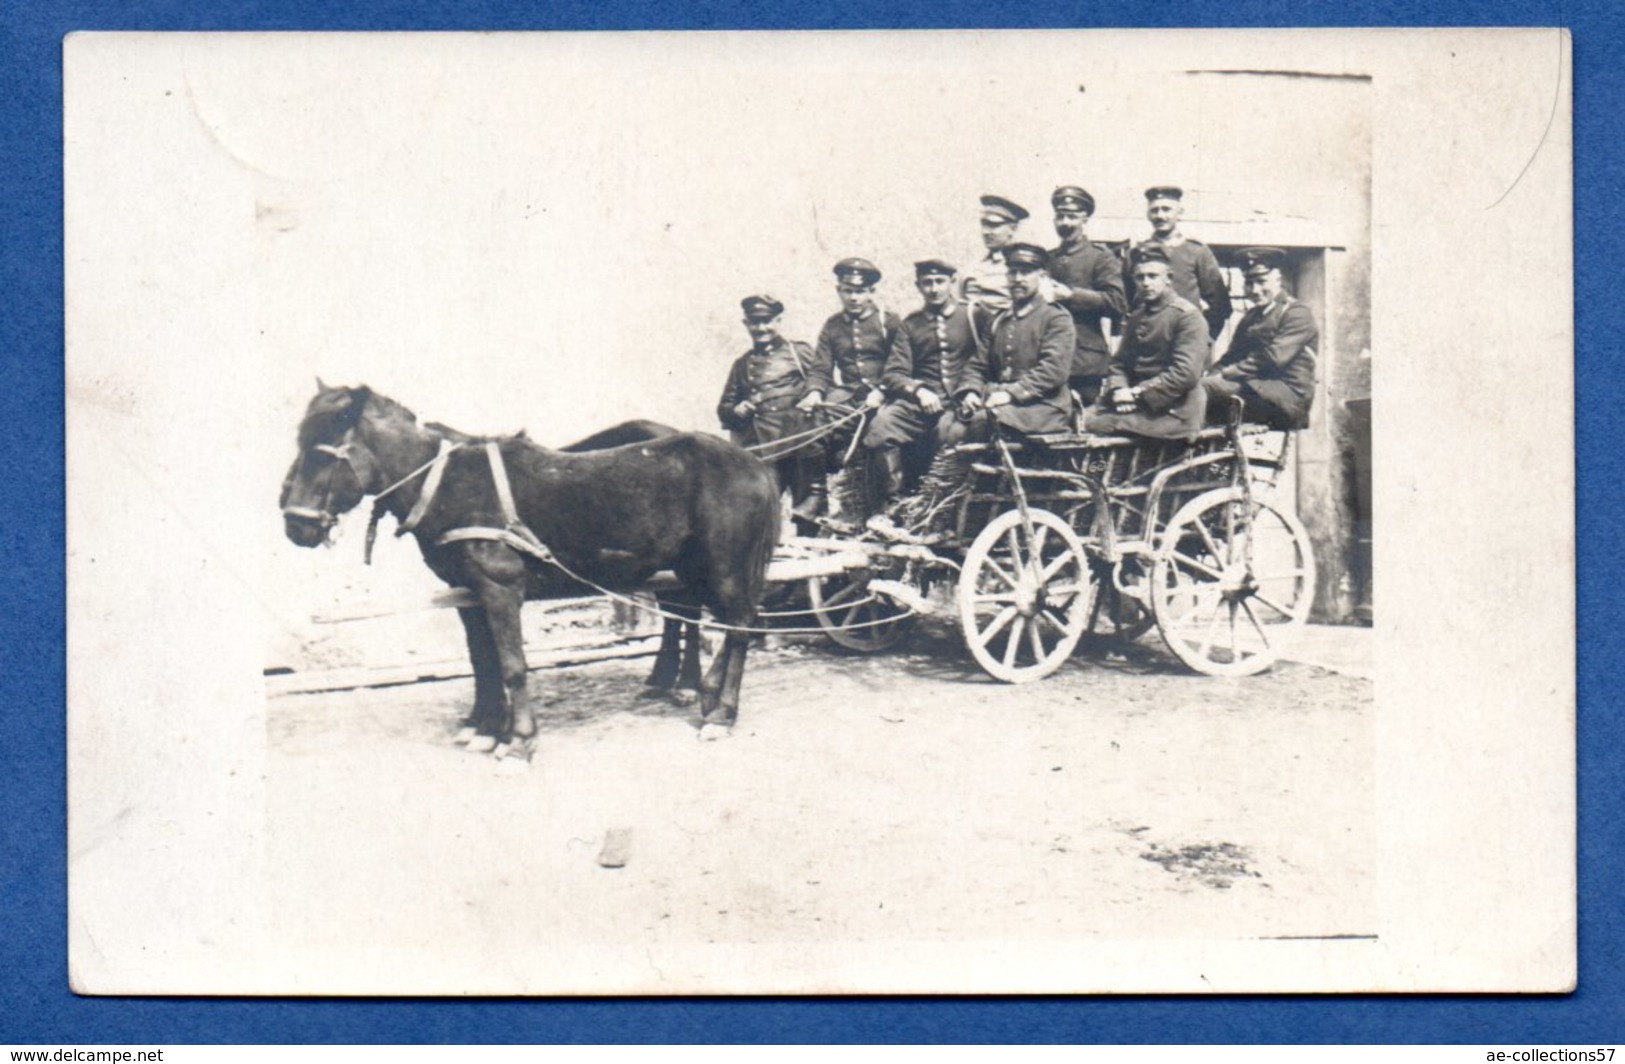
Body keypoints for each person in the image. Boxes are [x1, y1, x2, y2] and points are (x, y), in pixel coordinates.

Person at [863, 258, 982, 516]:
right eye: (927, 283)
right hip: (922, 403)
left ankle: (942, 509)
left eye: (940, 282)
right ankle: (894, 503)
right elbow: (894, 372)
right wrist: (918, 390)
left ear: (952, 282)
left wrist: (972, 388)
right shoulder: (911, 324)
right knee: (881, 428)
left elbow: (988, 361)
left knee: (946, 434)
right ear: (918, 286)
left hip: (960, 403)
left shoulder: (973, 315)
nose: (934, 288)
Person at [798, 257, 901, 519]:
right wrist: (814, 392)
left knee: (883, 430)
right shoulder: (832, 326)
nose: (853, 297)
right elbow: (821, 367)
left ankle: (891, 503)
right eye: (847, 290)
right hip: (850, 397)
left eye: (860, 291)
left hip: (887, 396)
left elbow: (900, 364)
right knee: (810, 422)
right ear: (839, 290)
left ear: (871, 292)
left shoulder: (888, 322)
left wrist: (884, 390)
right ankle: (816, 495)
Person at [944, 242, 1076, 446]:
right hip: (1001, 403)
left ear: (1041, 275)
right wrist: (971, 390)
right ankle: (949, 478)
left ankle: (978, 478)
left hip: (1044, 407)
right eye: (1012, 272)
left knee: (978, 424)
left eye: (1025, 272)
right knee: (948, 425)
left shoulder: (1055, 318)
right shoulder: (999, 320)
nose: (1017, 279)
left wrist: (1010, 393)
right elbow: (978, 364)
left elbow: (1053, 370)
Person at [1084, 244, 1207, 439]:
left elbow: (1186, 373)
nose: (1146, 283)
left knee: (1096, 425)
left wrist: (1136, 394)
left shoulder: (1187, 316)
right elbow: (1119, 363)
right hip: (1136, 405)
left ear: (1168, 278)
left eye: (1153, 276)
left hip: (1174, 411)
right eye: (1140, 277)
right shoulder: (1137, 316)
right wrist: (1120, 389)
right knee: (1081, 419)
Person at [716, 294, 822, 520]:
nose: (761, 328)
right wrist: (736, 409)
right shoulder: (743, 364)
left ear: (779, 321)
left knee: (808, 511)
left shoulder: (798, 351)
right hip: (762, 449)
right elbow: (724, 406)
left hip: (797, 443)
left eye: (767, 321)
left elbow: (820, 381)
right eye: (755, 322)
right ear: (746, 324)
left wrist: (813, 396)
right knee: (758, 513)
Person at [1202, 247, 1318, 429]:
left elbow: (1274, 358)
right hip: (1255, 389)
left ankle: (1183, 447)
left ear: (1278, 280)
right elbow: (1232, 356)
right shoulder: (1250, 317)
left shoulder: (1296, 313)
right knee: (1196, 387)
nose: (1255, 290)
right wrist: (1213, 372)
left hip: (1286, 396)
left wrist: (1230, 373)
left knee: (1204, 390)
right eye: (1249, 283)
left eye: (1261, 281)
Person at [1045, 185, 1128, 405]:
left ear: (1085, 219)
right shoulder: (1047, 259)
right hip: (1049, 357)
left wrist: (1071, 295)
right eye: (1060, 216)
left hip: (1084, 361)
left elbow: (1118, 302)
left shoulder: (1100, 257)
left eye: (1072, 216)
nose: (1065, 223)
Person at [1123, 185, 1232, 342]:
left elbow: (1221, 305)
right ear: (1148, 214)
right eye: (1154, 210)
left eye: (1166, 209)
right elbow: (1126, 302)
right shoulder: (1135, 255)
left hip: (1185, 340)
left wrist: (1204, 338)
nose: (1160, 216)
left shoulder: (1197, 252)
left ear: (1179, 213)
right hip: (1147, 342)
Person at [960, 194, 1028, 334]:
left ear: (1013, 229)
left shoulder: (1026, 269)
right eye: (983, 224)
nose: (986, 232)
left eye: (994, 226)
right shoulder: (972, 268)